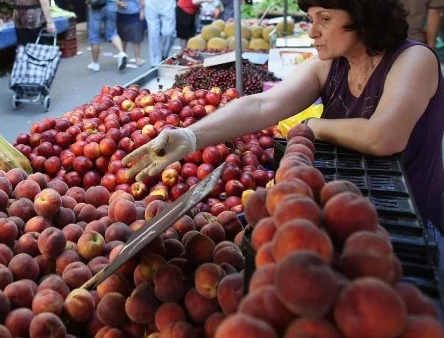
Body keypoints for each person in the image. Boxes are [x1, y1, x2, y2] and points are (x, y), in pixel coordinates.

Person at [123, 0, 444, 265]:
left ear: (363, 17)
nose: (313, 31)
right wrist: (191, 135)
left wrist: (314, 127)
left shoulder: (414, 59)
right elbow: (263, 105)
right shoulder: (331, 65)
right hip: (351, 218)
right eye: (310, 18)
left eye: (325, 18)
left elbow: (383, 136)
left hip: (412, 227)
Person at [86, 0, 128, 71]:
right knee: (113, 33)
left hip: (96, 5)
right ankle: (121, 53)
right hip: (111, 5)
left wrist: (88, 2)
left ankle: (95, 63)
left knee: (94, 36)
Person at [142, 0, 176, 67]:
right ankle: (155, 63)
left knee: (169, 32)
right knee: (153, 33)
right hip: (151, 3)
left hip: (168, 3)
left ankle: (165, 54)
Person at [117, 0, 145, 67]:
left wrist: (142, 11)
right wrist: (118, 3)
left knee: (136, 37)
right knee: (122, 37)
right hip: (121, 13)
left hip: (135, 13)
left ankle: (137, 58)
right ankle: (123, 56)